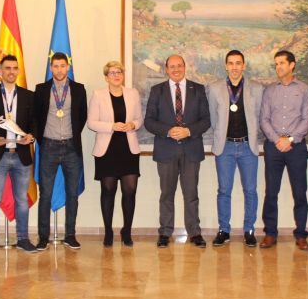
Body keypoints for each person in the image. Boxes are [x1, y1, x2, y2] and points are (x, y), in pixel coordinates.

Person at [144, 55, 210, 248]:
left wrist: (188, 131)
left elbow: (206, 120)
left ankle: (195, 233)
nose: (175, 69)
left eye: (179, 66)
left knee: (191, 194)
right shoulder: (157, 91)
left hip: (191, 150)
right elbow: (149, 121)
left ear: (185, 67)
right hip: (166, 150)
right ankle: (165, 233)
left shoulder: (198, 89)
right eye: (171, 67)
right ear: (166, 69)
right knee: (166, 194)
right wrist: (168, 131)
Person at [0, 55, 37, 257]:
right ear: (0, 71)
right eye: (7, 68)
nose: (11, 72)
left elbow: (35, 122)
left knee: (21, 199)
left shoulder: (29, 96)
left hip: (20, 155)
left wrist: (31, 136)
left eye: (14, 68)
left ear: (18, 71)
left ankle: (23, 239)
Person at [207, 50, 263, 247]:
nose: (234, 67)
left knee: (250, 190)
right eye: (230, 63)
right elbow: (214, 119)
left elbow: (257, 116)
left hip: (248, 147)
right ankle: (224, 230)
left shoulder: (256, 88)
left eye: (238, 63)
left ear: (244, 65)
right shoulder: (214, 89)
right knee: (224, 190)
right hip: (225, 147)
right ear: (226, 66)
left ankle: (249, 229)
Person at [259, 50, 308, 250]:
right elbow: (264, 119)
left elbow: (307, 119)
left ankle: (301, 235)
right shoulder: (269, 90)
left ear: (292, 65)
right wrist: (277, 140)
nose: (278, 67)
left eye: (282, 63)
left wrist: (289, 139)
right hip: (273, 148)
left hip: (296, 148)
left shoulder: (304, 89)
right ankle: (270, 234)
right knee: (271, 192)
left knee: (300, 192)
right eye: (276, 64)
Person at [34, 52, 87, 250]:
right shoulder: (41, 89)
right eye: (55, 66)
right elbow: (36, 118)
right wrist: (43, 139)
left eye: (62, 66)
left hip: (71, 148)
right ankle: (42, 237)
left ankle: (70, 235)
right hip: (49, 146)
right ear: (51, 68)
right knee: (45, 193)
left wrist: (70, 138)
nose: (59, 70)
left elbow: (82, 117)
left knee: (72, 193)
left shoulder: (79, 89)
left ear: (68, 67)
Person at [87, 61, 142, 247]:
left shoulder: (133, 93)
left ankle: (126, 230)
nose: (116, 75)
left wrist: (132, 125)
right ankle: (108, 231)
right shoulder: (98, 95)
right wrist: (111, 126)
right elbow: (91, 123)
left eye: (119, 72)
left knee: (130, 191)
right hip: (107, 150)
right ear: (106, 77)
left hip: (128, 149)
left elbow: (139, 119)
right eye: (112, 73)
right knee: (108, 190)